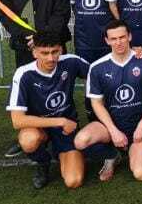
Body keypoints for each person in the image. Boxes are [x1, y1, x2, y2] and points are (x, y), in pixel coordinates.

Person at [0, 0, 71, 158]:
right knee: (28, 90)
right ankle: (30, 133)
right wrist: (28, 38)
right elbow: (7, 18)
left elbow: (62, 14)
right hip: (25, 48)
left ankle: (61, 130)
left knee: (59, 86)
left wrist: (43, 39)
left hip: (53, 46)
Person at [75, 20, 142, 182]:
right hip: (110, 127)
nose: (118, 42)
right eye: (113, 39)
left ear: (129, 36)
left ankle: (135, 149)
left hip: (139, 127)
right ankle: (112, 155)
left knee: (141, 173)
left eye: (122, 37)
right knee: (80, 141)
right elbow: (96, 103)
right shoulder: (97, 67)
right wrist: (113, 130)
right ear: (107, 41)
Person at [5, 32, 88, 189]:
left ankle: (59, 150)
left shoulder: (71, 62)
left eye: (54, 52)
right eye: (44, 53)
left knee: (74, 181)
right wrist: (61, 121)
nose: (50, 58)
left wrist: (133, 55)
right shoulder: (23, 74)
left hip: (66, 130)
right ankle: (43, 162)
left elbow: (99, 72)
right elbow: (17, 121)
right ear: (35, 52)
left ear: (61, 50)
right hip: (40, 127)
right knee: (28, 140)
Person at [64, 0, 112, 122]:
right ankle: (94, 120)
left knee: (111, 79)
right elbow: (72, 9)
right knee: (89, 82)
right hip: (84, 41)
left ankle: (117, 118)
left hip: (109, 41)